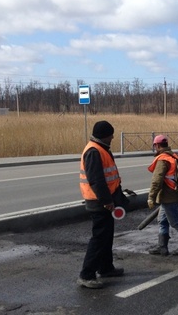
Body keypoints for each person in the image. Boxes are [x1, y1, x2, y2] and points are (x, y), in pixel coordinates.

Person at [77, 120, 125, 289]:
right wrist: (107, 201)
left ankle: (105, 268)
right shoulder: (93, 151)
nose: (112, 137)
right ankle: (86, 274)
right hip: (99, 202)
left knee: (106, 236)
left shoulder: (100, 149)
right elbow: (96, 180)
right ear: (104, 135)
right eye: (111, 134)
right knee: (99, 238)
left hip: (104, 201)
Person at [147, 135, 178, 256]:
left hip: (170, 197)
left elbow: (157, 180)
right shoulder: (175, 156)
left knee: (175, 221)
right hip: (177, 194)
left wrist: (151, 197)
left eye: (154, 146)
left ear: (157, 145)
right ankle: (162, 247)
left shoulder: (163, 159)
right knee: (162, 220)